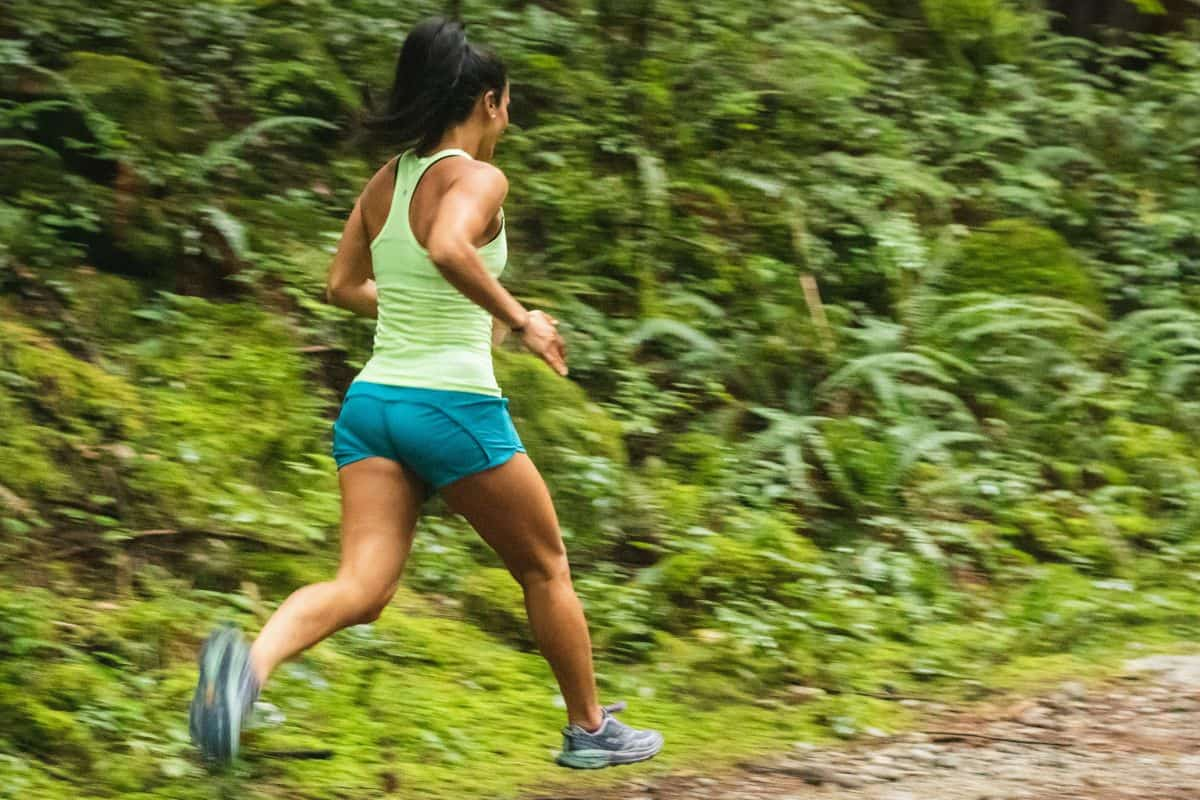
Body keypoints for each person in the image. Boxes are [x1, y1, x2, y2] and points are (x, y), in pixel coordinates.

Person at [188, 16, 664, 771]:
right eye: (507, 103)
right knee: (546, 567)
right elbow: (447, 244)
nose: (508, 117)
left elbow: (340, 286)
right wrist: (521, 319)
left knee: (362, 587)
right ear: (486, 101)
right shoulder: (478, 177)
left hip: (373, 405)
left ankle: (243, 675)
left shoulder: (388, 179)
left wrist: (430, 307)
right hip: (450, 405)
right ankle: (590, 728)